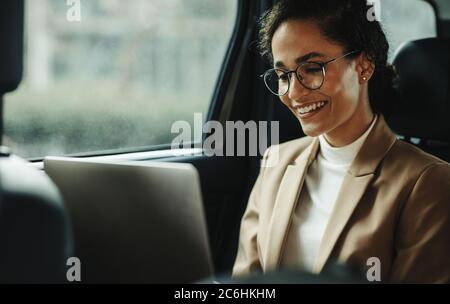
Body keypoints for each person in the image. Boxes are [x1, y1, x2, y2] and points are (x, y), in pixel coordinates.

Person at [232, 0, 450, 283]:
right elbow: (245, 284)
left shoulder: (428, 182)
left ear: (363, 66)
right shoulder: (275, 161)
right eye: (283, 75)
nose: (293, 92)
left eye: (311, 68)